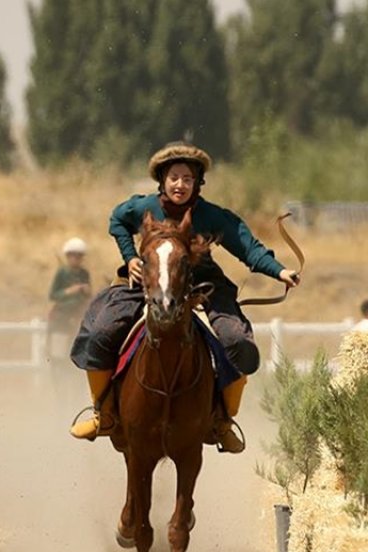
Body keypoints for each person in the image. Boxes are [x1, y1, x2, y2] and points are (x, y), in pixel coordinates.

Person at [68, 142, 300, 453]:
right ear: (162, 180)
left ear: (198, 184)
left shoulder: (213, 216)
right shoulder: (142, 207)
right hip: (148, 281)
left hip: (202, 285)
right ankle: (103, 414)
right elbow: (117, 220)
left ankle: (222, 422)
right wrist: (131, 258)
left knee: (239, 343)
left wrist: (280, 271)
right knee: (100, 333)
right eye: (174, 177)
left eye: (188, 179)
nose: (181, 185)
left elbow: (248, 248)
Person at [47, 238, 93, 362]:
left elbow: (88, 296)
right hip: (62, 316)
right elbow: (53, 295)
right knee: (59, 352)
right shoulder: (62, 272)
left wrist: (86, 291)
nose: (76, 259)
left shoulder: (84, 273)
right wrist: (69, 291)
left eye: (79, 256)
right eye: (73, 256)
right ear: (68, 256)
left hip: (78, 315)